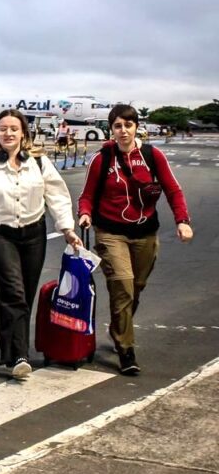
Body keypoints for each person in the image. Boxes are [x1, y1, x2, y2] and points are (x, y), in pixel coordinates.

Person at [0, 108, 82, 379]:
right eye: (3, 129)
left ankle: (9, 352)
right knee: (13, 292)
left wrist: (67, 229)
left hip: (33, 235)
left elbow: (57, 196)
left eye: (14, 128)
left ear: (24, 133)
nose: (8, 133)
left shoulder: (39, 163)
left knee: (23, 294)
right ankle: (20, 355)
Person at [77, 104, 192, 376]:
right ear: (111, 129)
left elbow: (173, 190)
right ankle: (125, 349)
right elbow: (87, 195)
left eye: (128, 125)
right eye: (118, 126)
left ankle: (119, 326)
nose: (123, 130)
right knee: (123, 287)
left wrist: (183, 221)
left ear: (136, 127)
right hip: (110, 233)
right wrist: (84, 214)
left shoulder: (153, 156)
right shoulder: (102, 159)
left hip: (145, 233)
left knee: (136, 287)